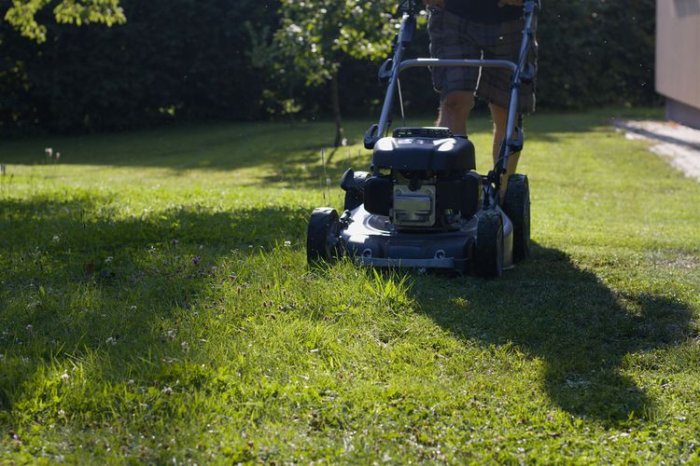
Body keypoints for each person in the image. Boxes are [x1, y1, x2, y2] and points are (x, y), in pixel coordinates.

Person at [423, 0, 537, 201]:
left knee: (507, 109)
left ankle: (501, 195)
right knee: (454, 100)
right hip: (453, 13)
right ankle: (451, 191)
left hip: (510, 16)